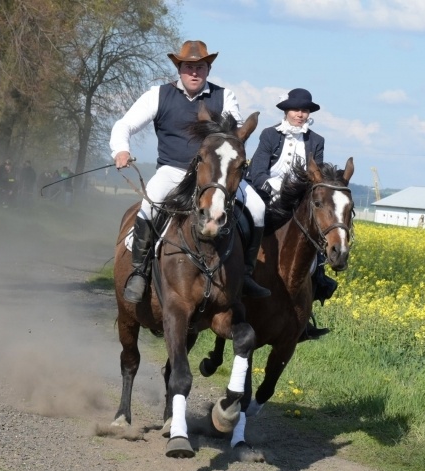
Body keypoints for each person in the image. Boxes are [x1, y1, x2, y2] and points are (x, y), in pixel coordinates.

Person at [109, 40, 269, 303]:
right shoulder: (158, 95)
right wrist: (121, 150)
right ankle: (140, 271)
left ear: (208, 69)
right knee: (148, 206)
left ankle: (247, 273)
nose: (194, 72)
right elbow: (124, 125)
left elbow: (234, 132)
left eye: (201, 67)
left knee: (258, 208)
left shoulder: (225, 96)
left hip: (216, 175)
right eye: (189, 67)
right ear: (179, 68)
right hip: (173, 171)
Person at [246, 88, 335, 339]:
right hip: (266, 194)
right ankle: (239, 278)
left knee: (316, 238)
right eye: (297, 109)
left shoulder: (316, 141)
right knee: (246, 222)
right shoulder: (269, 135)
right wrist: (277, 189)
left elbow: (315, 177)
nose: (300, 114)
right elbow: (257, 172)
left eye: (305, 110)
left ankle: (310, 301)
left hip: (297, 202)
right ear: (287, 111)